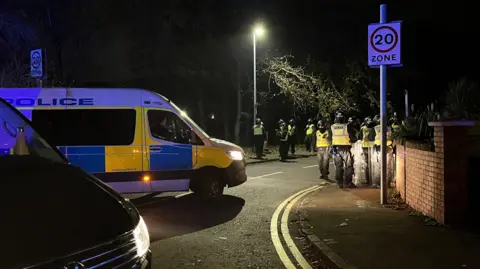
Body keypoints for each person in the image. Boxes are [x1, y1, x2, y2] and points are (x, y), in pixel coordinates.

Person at [331, 112, 356, 188]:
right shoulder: (346, 126)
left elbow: (329, 138)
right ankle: (348, 183)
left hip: (336, 149)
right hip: (345, 148)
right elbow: (353, 138)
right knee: (348, 166)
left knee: (338, 166)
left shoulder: (332, 127)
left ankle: (339, 183)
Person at [358, 117, 375, 185]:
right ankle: (374, 179)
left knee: (366, 164)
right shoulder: (374, 128)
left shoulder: (363, 128)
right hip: (373, 147)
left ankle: (368, 180)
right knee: (374, 163)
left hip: (365, 147)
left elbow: (359, 137)